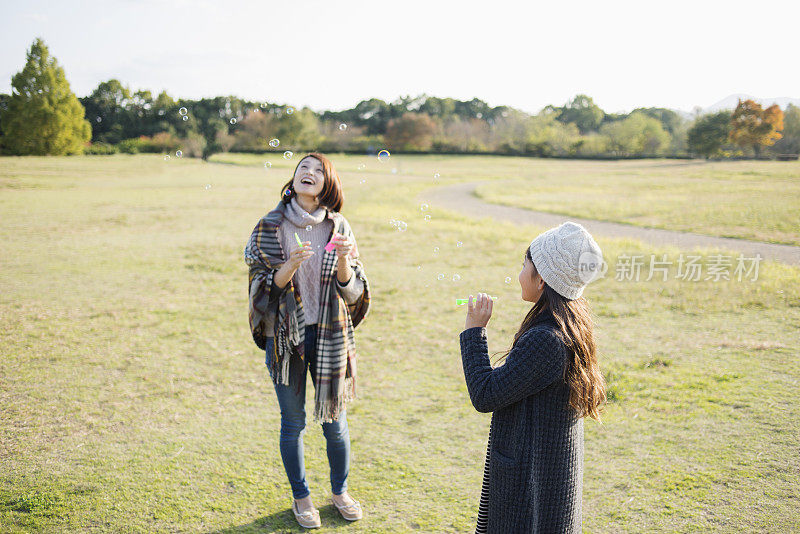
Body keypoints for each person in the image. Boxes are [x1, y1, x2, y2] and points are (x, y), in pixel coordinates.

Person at [244, 153, 370, 528]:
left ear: (327, 182)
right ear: (293, 178)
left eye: (317, 170)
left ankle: (339, 492)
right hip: (285, 338)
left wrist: (345, 263)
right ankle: (302, 499)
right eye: (303, 168)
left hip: (330, 334)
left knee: (335, 423)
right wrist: (289, 267)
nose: (309, 174)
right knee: (293, 422)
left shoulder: (339, 226)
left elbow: (354, 295)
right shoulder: (270, 226)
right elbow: (259, 291)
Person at [459, 222, 606, 533]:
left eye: (525, 265)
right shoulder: (568, 322)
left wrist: (474, 332)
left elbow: (485, 394)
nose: (519, 274)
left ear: (542, 279)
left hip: (532, 490)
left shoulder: (547, 340)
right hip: (543, 479)